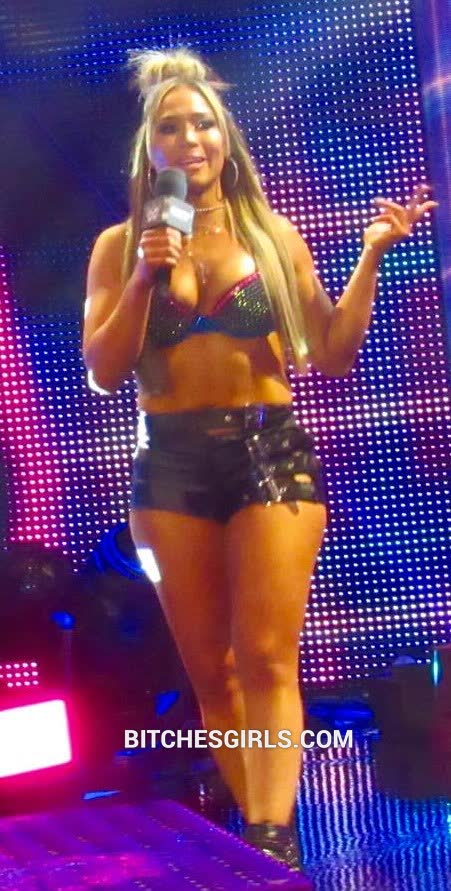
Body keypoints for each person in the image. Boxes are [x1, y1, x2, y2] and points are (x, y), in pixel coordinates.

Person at [82, 46, 438, 872]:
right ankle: (263, 841)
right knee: (213, 671)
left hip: (268, 451)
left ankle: (273, 835)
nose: (191, 139)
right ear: (151, 150)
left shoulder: (270, 235)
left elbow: (332, 352)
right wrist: (143, 278)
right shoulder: (119, 246)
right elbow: (102, 368)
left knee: (268, 655)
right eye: (172, 127)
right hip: (169, 465)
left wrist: (371, 254)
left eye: (203, 123)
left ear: (225, 137)